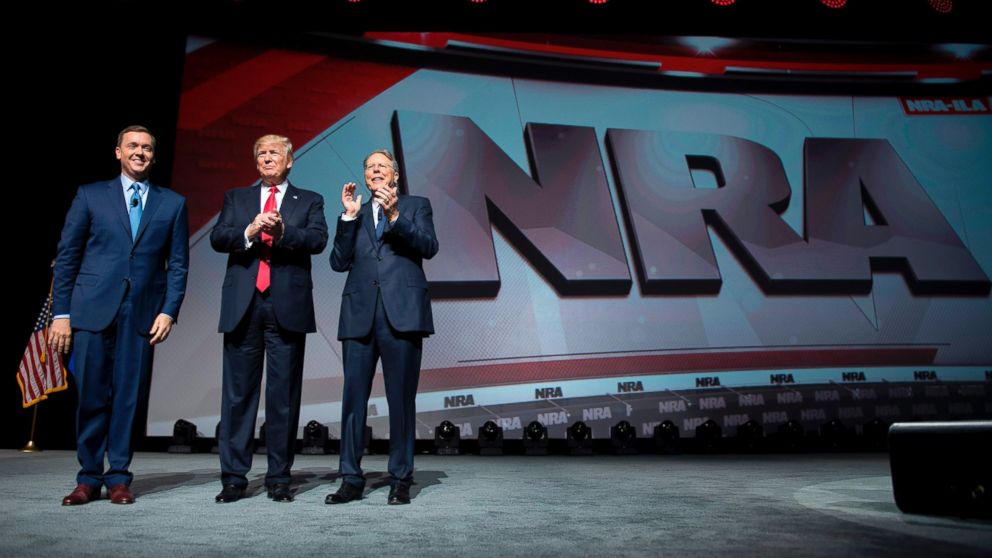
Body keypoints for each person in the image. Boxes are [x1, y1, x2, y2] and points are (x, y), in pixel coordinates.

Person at [49, 125, 190, 506]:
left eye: (146, 148)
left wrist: (169, 311)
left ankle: (119, 478)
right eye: (133, 146)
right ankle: (88, 478)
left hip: (142, 315)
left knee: (128, 397)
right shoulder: (91, 195)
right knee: (92, 395)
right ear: (118, 152)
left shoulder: (172, 203)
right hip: (92, 310)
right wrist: (61, 313)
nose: (140, 152)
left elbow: (177, 265)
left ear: (154, 156)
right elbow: (67, 258)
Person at [211, 134, 328, 503]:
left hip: (286, 306)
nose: (266, 157)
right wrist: (249, 230)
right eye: (260, 152)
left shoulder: (309, 199)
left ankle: (279, 476)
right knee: (238, 396)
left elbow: (318, 239)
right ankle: (233, 477)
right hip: (244, 305)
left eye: (273, 152)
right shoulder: (237, 198)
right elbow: (218, 236)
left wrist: (283, 232)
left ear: (289, 161)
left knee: (283, 398)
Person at [327, 148, 438, 505]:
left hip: (401, 315)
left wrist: (394, 215)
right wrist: (346, 218)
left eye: (381, 166)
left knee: (400, 401)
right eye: (369, 166)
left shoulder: (416, 205)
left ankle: (400, 479)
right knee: (353, 402)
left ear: (395, 176)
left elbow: (429, 246)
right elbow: (337, 262)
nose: (375, 170)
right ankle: (350, 478)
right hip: (359, 315)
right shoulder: (354, 214)